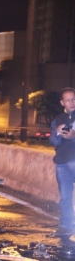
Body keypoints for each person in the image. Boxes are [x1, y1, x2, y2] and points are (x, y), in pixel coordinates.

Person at [49, 87, 75, 236]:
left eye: (73, 99)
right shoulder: (58, 119)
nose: (71, 102)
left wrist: (73, 137)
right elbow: (53, 141)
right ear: (62, 102)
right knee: (65, 197)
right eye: (68, 100)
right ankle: (67, 226)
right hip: (62, 163)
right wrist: (58, 132)